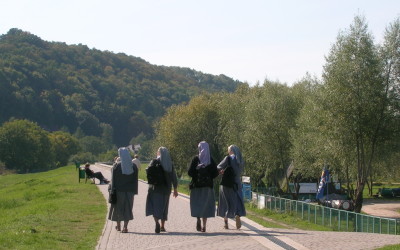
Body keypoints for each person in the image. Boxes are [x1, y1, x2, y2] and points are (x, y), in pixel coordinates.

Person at [188, 141, 219, 232]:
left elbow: (189, 172)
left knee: (197, 204)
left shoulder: (196, 159)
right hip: (207, 187)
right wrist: (209, 177)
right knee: (206, 205)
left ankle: (198, 218)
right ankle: (204, 225)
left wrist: (196, 173)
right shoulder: (210, 160)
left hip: (196, 186)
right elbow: (216, 173)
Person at [145, 147, 178, 233]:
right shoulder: (170, 164)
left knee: (155, 206)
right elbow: (174, 177)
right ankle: (163, 226)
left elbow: (148, 172)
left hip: (155, 188)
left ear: (159, 153)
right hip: (166, 189)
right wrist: (175, 189)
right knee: (164, 207)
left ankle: (156, 222)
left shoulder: (154, 162)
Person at [108, 148, 138, 233]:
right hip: (130, 191)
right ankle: (125, 227)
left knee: (118, 208)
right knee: (128, 208)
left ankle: (118, 225)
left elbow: (113, 180)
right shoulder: (133, 166)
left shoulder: (116, 166)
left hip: (119, 191)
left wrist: (112, 191)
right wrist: (135, 191)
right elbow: (135, 180)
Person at [217, 144, 246, 229]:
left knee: (226, 201)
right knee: (237, 200)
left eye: (229, 150)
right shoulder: (241, 160)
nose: (228, 152)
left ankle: (226, 223)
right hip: (237, 183)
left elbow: (218, 167)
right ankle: (237, 215)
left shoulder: (228, 158)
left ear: (231, 151)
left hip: (227, 183)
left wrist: (221, 171)